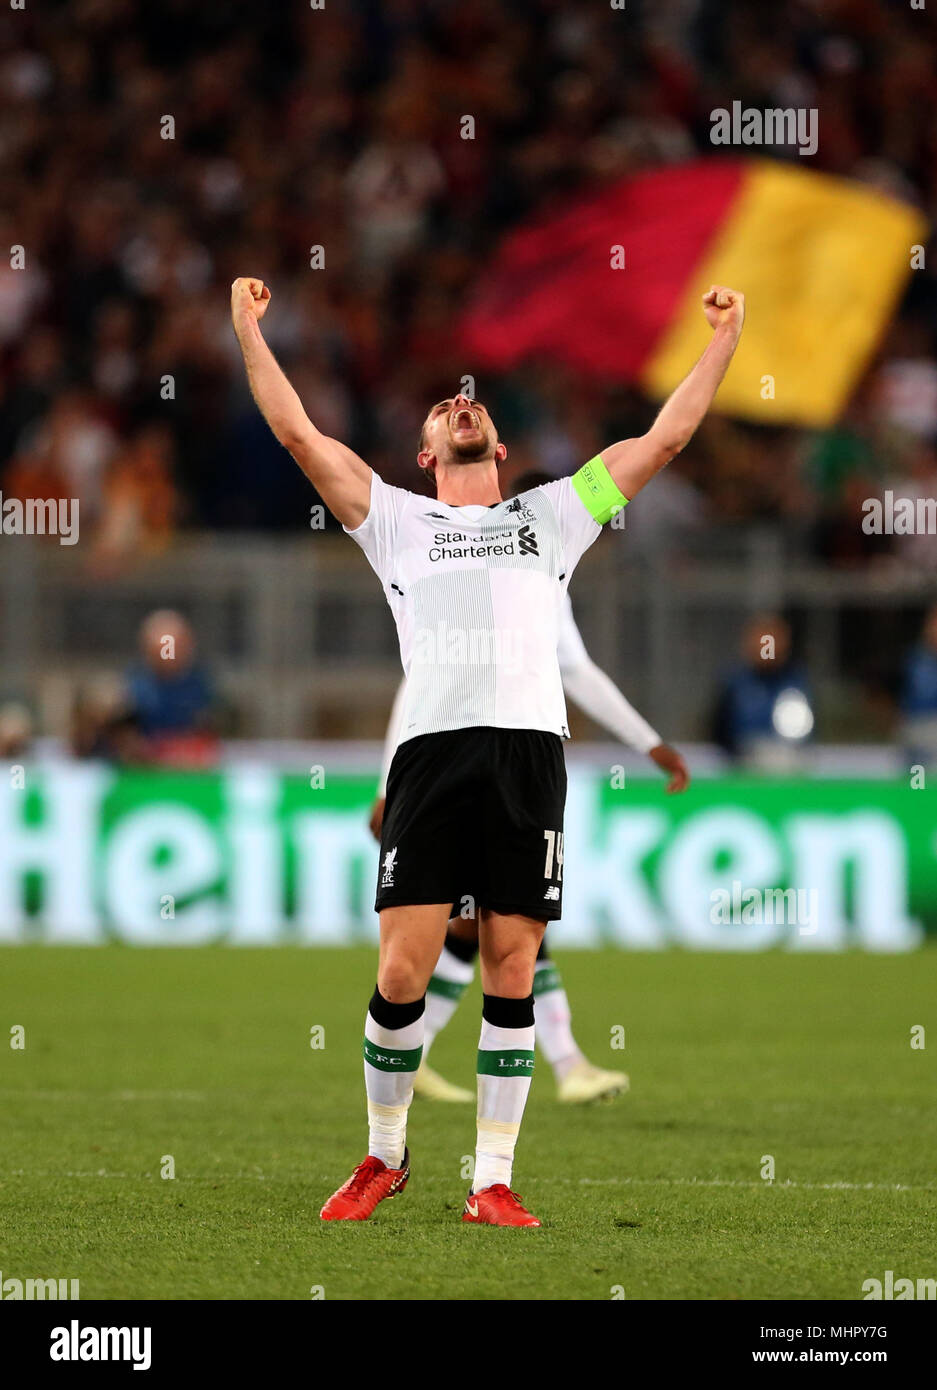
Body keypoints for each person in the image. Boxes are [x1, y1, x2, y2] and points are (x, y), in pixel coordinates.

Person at [231, 273, 744, 1227]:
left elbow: (663, 438)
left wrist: (721, 341)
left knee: (512, 963)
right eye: (441, 407)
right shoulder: (393, 518)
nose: (458, 406)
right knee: (400, 975)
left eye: (472, 404)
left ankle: (492, 1181)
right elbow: (298, 435)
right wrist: (247, 331)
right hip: (430, 754)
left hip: (527, 756)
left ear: (497, 447)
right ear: (426, 452)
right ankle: (384, 1158)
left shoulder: (552, 514)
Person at [368, 469, 690, 1105]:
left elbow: (577, 671)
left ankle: (516, 1066)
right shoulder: (466, 558)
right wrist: (388, 783)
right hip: (450, 772)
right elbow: (421, 680)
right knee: (483, 932)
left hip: (514, 773)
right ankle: (559, 1066)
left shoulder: (541, 578)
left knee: (494, 932)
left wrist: (647, 741)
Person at [900, 603, 937, 766]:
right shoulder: (917, 658)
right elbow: (911, 696)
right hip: (916, 729)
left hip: (931, 730)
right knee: (917, 783)